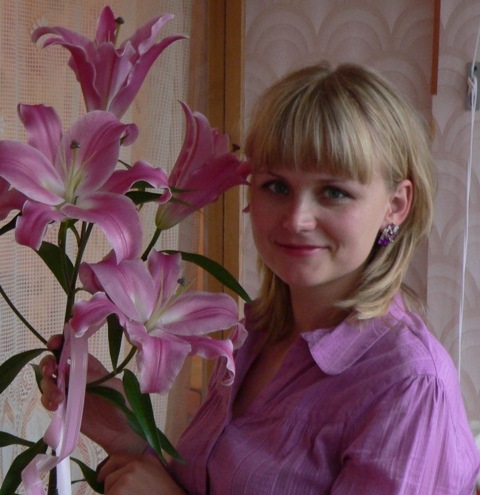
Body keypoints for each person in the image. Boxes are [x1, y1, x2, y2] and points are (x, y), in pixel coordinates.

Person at [40, 62, 480, 494]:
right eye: (276, 186)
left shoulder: (409, 385)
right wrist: (126, 430)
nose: (297, 218)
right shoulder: (254, 334)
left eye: (334, 192)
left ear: (396, 205)